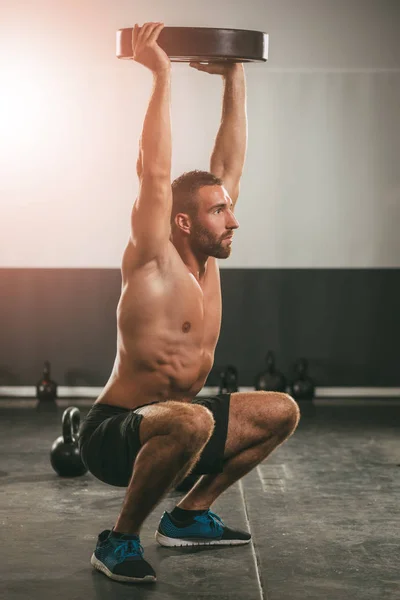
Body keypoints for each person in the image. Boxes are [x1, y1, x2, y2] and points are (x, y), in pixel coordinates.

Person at [79, 22, 300, 584]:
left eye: (227, 209)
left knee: (280, 411)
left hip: (183, 427)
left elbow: (229, 166)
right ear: (182, 221)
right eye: (218, 212)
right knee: (194, 419)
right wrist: (161, 74)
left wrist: (235, 76)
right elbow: (154, 172)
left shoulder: (208, 258)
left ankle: (188, 515)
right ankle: (119, 540)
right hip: (114, 434)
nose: (233, 219)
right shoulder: (153, 259)